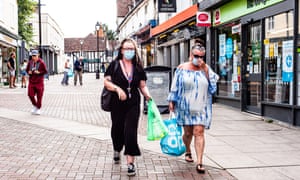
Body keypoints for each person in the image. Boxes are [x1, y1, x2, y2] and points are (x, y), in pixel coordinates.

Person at [167, 43, 219, 174]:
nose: (199, 59)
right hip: (185, 107)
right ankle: (188, 150)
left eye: (201, 56)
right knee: (188, 133)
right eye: (196, 56)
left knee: (199, 132)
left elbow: (213, 89)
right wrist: (172, 101)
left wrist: (206, 71)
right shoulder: (182, 68)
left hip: (201, 107)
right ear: (191, 55)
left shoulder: (206, 69)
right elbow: (175, 86)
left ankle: (200, 162)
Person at [103, 38, 151, 176]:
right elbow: (106, 82)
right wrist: (118, 89)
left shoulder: (138, 67)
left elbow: (142, 85)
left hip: (133, 103)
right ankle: (117, 148)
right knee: (117, 129)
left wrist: (148, 96)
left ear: (134, 51)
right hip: (117, 103)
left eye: (131, 49)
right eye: (126, 49)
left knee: (130, 131)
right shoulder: (114, 65)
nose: (129, 51)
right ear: (121, 50)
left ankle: (130, 163)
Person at [26, 49, 48, 115]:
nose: (34, 57)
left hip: (39, 82)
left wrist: (39, 72)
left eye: (35, 56)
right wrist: (29, 72)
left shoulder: (41, 62)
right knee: (30, 94)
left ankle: (38, 108)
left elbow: (46, 71)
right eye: (32, 56)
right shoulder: (30, 62)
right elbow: (27, 70)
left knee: (39, 96)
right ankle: (35, 105)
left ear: (38, 55)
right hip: (31, 81)